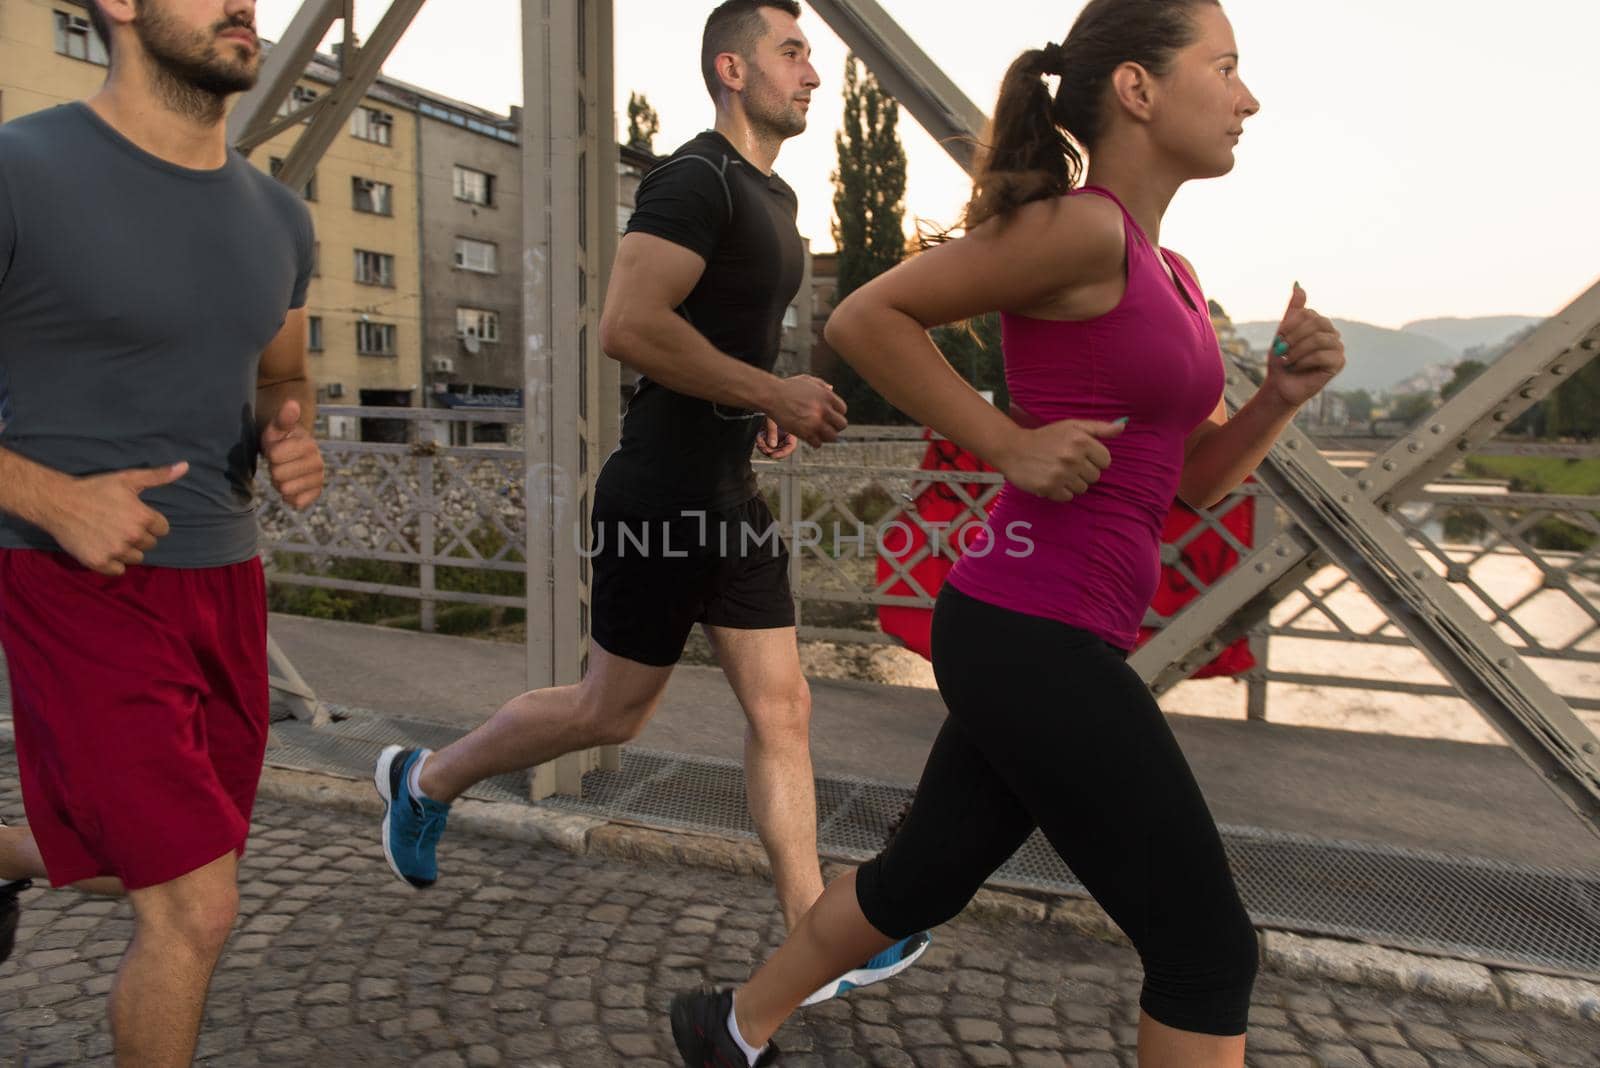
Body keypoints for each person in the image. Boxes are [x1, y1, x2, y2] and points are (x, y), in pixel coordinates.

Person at [669, 1, 1347, 1064]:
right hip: (1033, 632)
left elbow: (1185, 488)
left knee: (920, 878)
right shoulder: (1079, 227)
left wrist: (1282, 398)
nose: (1247, 97)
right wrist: (1006, 444)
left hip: (1040, 627)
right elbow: (863, 319)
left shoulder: (1171, 275)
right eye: (1224, 67)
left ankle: (730, 1024)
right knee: (1206, 948)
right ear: (1137, 88)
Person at [374, 0, 927, 1005]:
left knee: (783, 708)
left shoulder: (779, 200)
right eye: (793, 52)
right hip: (663, 494)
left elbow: (711, 342)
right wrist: (769, 390)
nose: (813, 74)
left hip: (728, 484)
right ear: (732, 66)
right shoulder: (694, 178)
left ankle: (811, 937)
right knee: (609, 712)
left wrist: (749, 404)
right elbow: (626, 324)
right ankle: (424, 780)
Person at [0, 0, 323, 1063]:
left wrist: (291, 433)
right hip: (69, 584)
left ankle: (7, 853)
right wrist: (52, 498)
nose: (245, 5)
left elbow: (283, 372)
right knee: (195, 907)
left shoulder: (281, 218)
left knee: (141, 862)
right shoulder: (20, 171)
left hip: (227, 582)